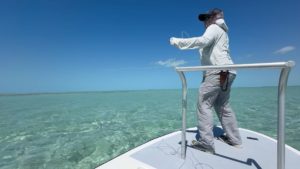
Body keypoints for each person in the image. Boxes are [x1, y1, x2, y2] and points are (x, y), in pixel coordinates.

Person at [170, 8, 242, 154]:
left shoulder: (214, 27)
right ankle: (235, 140)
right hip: (228, 71)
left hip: (217, 71)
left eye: (206, 18)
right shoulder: (223, 32)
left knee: (204, 104)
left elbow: (203, 41)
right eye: (204, 19)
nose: (204, 22)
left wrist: (179, 42)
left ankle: (206, 144)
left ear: (214, 18)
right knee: (222, 105)